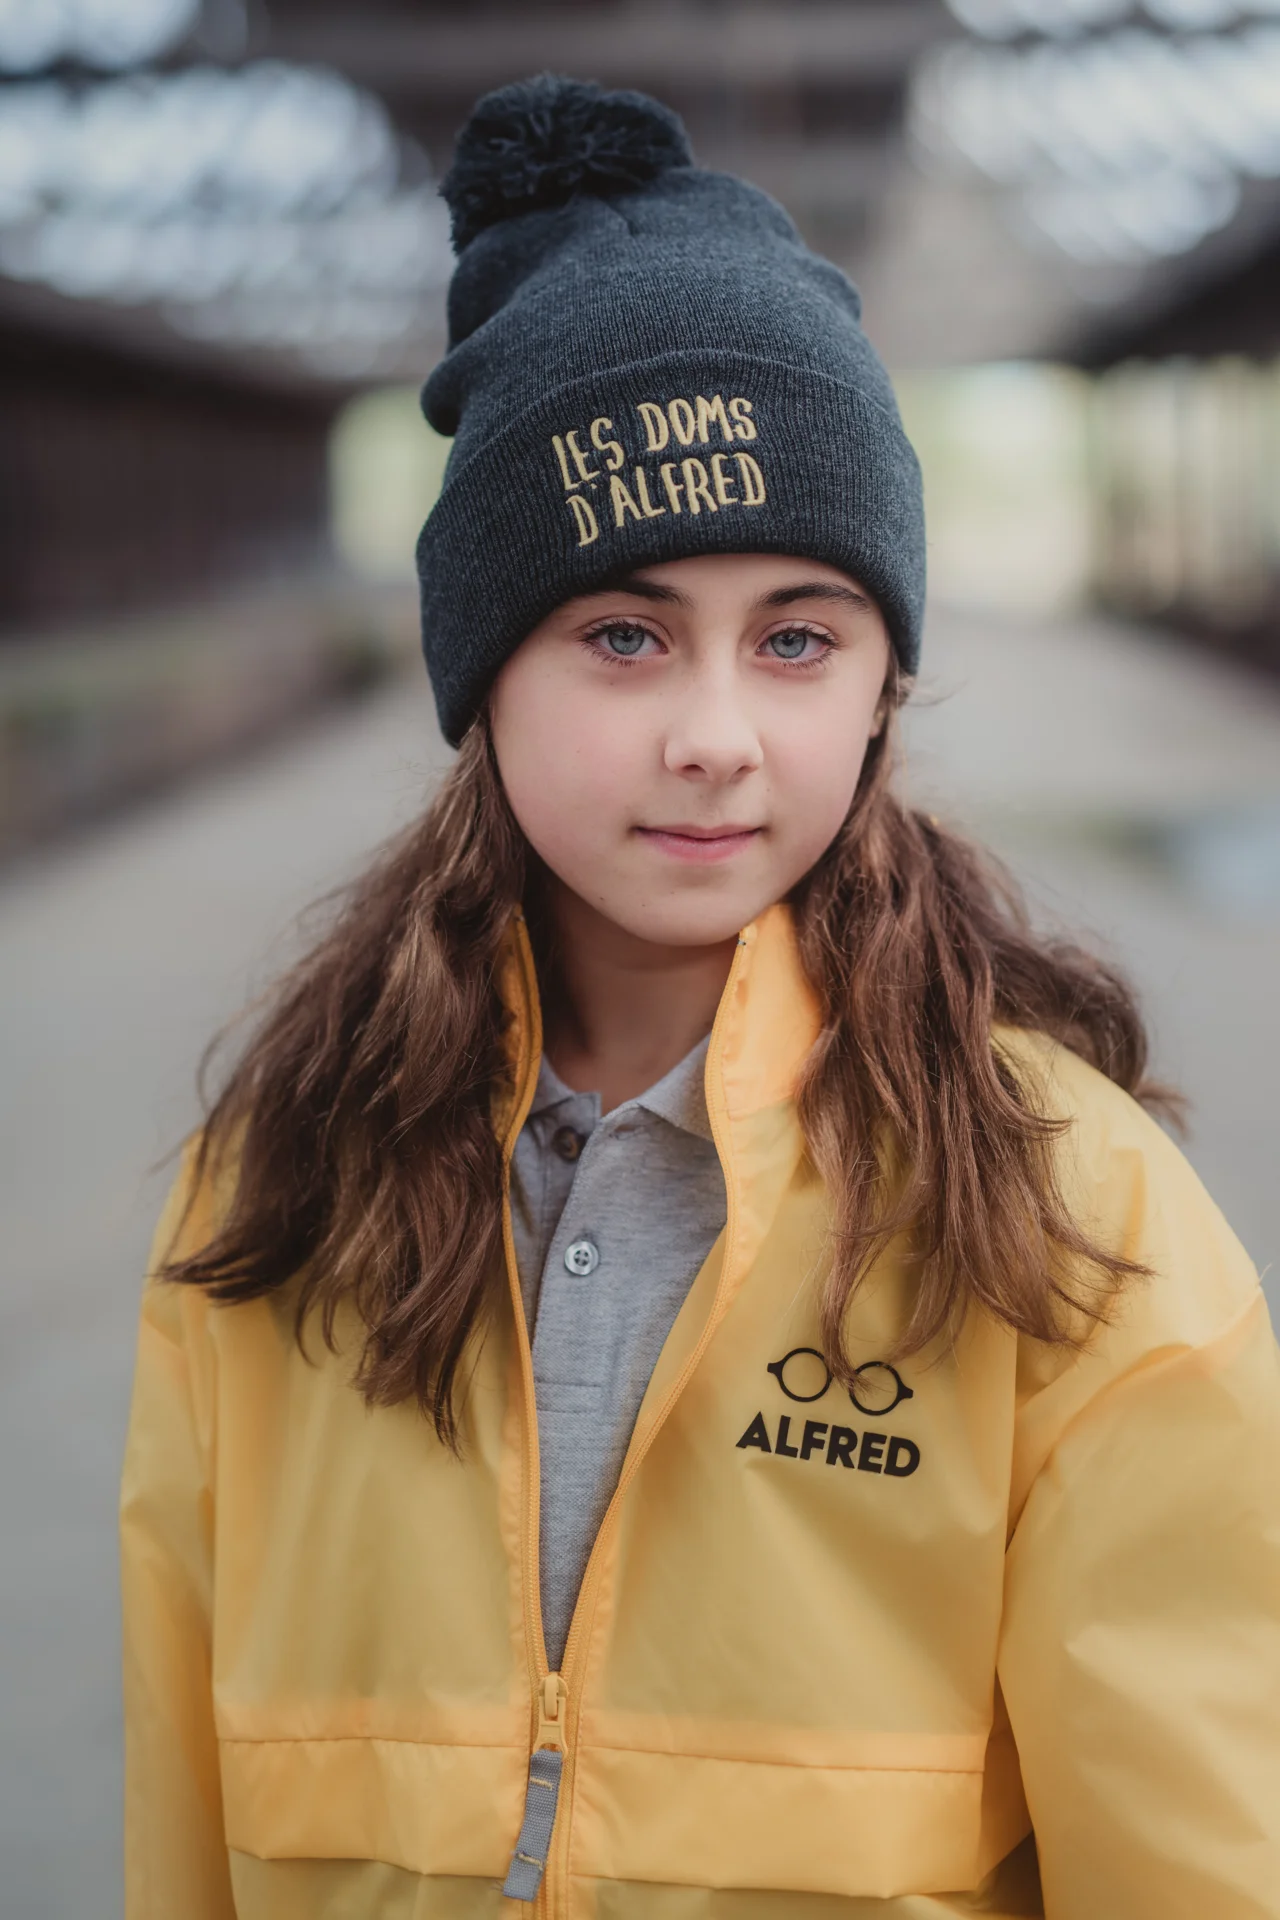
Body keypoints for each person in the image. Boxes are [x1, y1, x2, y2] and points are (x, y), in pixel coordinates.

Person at [120, 75, 1280, 1920]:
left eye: (800, 637)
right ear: (481, 672)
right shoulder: (273, 1193)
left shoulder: (1071, 1214)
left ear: (884, 687)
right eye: (622, 634)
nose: (720, 737)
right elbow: (181, 1812)